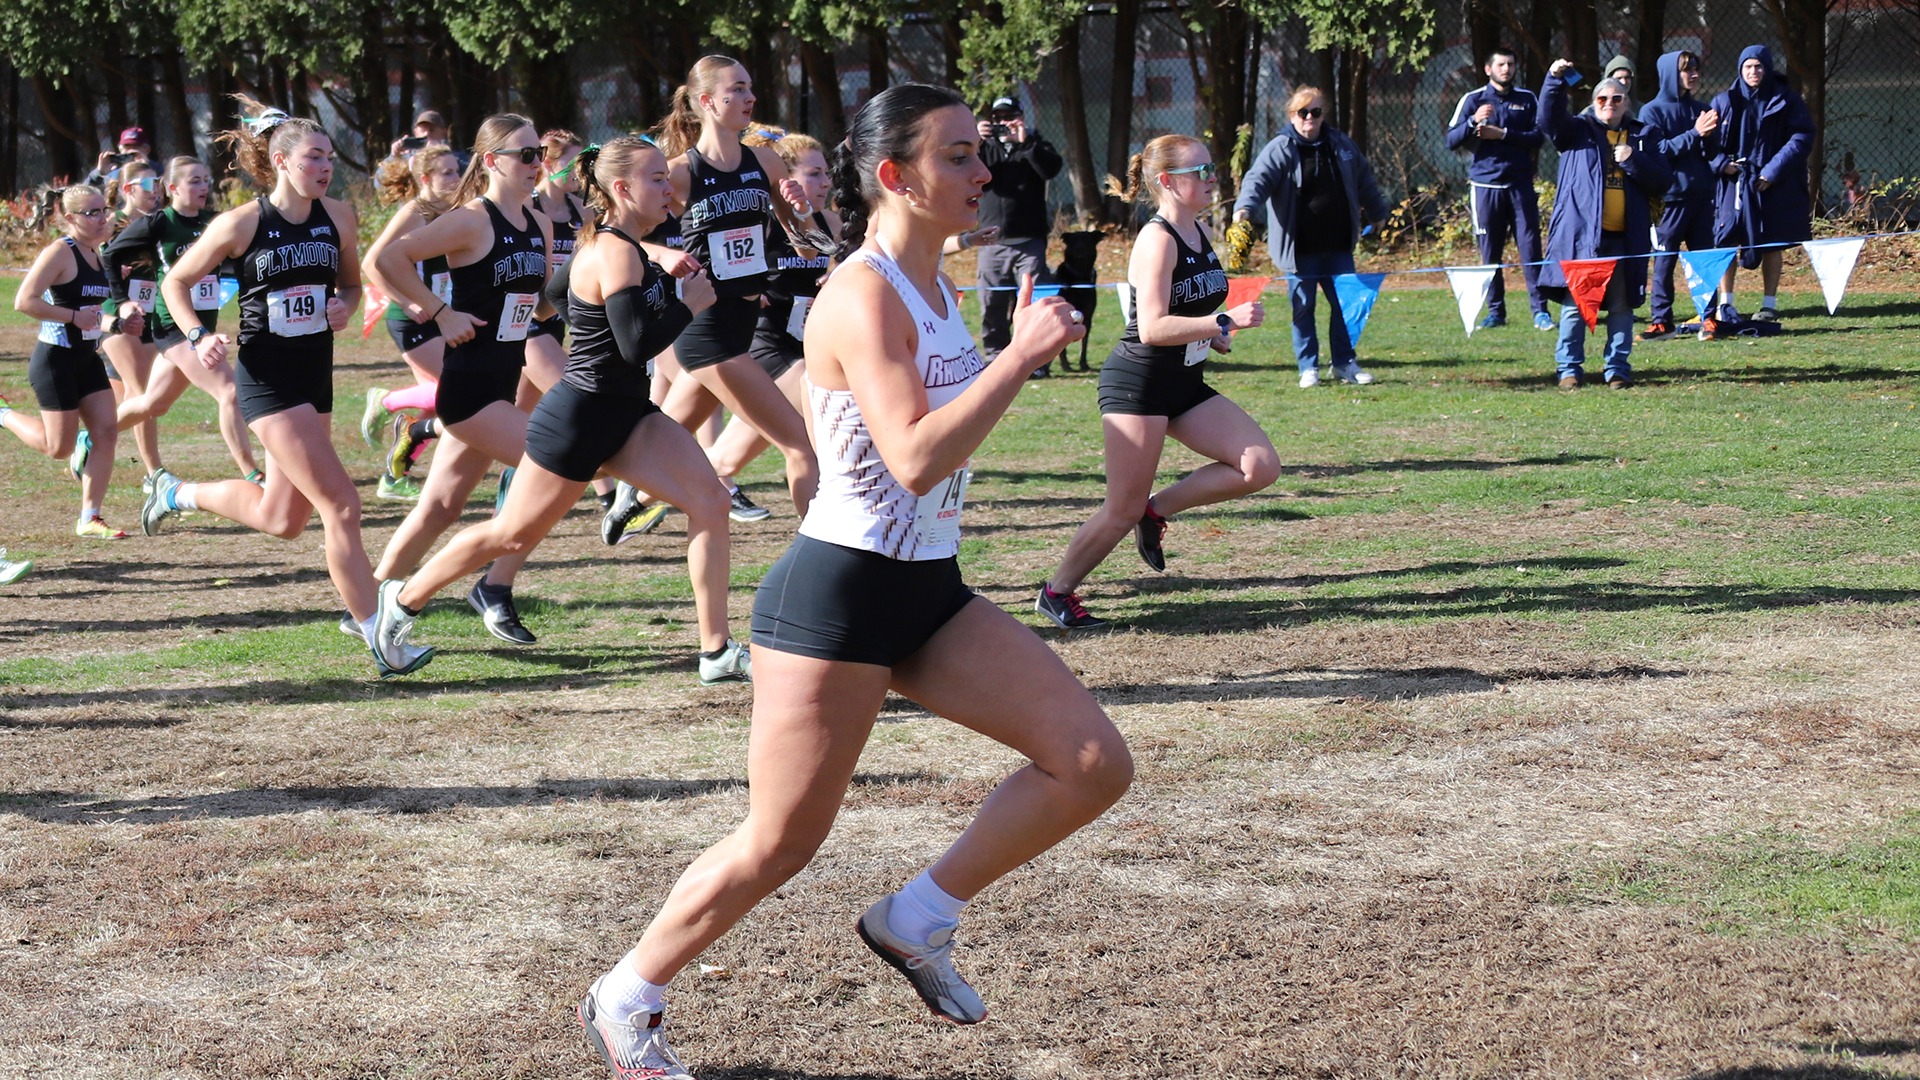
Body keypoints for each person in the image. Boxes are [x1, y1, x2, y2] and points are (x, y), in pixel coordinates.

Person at [574, 83, 1129, 1080]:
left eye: (977, 153)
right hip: (836, 597)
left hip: (926, 589)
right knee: (780, 843)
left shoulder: (937, 286)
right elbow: (912, 457)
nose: (983, 173)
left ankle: (915, 918)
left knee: (1092, 762)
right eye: (957, 156)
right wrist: (1020, 355)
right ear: (894, 177)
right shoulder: (864, 292)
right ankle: (628, 995)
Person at [374, 137, 749, 684]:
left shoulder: (616, 245)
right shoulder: (616, 251)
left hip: (629, 415)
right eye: (656, 179)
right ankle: (401, 600)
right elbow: (635, 346)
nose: (669, 187)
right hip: (578, 421)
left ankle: (715, 650)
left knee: (711, 500)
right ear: (622, 189)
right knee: (511, 536)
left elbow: (550, 293)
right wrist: (688, 305)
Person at [139, 97, 432, 679]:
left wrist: (343, 307)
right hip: (267, 379)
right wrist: (198, 336)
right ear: (280, 161)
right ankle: (376, 628)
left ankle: (175, 494)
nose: (325, 167)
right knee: (342, 506)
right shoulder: (241, 223)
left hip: (313, 374)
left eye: (329, 158)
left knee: (283, 517)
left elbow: (351, 285)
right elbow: (176, 281)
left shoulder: (340, 217)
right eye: (313, 157)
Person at [1037, 135, 1275, 629]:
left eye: (1212, 170)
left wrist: (1212, 336)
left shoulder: (1200, 228)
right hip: (1138, 386)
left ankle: (1156, 512)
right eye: (1201, 172)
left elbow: (1188, 312)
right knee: (1119, 509)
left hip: (1183, 382)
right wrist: (1223, 323)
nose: (1213, 180)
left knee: (1259, 467)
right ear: (1167, 181)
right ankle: (1057, 593)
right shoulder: (1157, 237)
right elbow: (1151, 328)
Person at [366, 113, 556, 647]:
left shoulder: (537, 223)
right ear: (493, 161)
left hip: (502, 380)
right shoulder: (473, 219)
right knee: (556, 466)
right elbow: (387, 258)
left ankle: (368, 604)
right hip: (469, 391)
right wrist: (436, 311)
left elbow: (533, 301)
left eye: (538, 151)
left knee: (441, 506)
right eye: (525, 154)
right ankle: (493, 585)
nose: (535, 162)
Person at [631, 56, 819, 525]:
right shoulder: (679, 172)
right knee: (799, 445)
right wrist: (663, 254)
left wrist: (800, 212)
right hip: (705, 325)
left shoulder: (766, 160)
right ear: (707, 102)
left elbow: (808, 246)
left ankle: (631, 497)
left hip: (744, 321)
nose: (750, 97)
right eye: (737, 89)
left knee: (661, 437)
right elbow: (617, 234)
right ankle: (823, 554)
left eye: (751, 87)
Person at [701, 127, 839, 524]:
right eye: (814, 173)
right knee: (808, 442)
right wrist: (748, 288)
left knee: (727, 458)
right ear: (787, 180)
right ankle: (822, 534)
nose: (825, 181)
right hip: (767, 344)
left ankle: (638, 496)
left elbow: (848, 257)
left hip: (806, 345)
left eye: (825, 172)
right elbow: (715, 259)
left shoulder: (828, 221)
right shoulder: (762, 223)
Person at [107, 155, 262, 486]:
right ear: (173, 187)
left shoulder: (214, 222)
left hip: (202, 325)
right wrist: (121, 301)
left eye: (206, 180)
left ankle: (90, 438)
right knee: (229, 391)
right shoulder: (159, 222)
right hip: (173, 325)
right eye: (194, 181)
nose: (203, 186)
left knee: (153, 403)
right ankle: (252, 473)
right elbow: (110, 255)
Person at [2, 184, 139, 539]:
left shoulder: (100, 254)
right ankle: (2, 414)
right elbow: (24, 301)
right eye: (90, 213)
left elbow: (94, 314)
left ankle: (90, 517)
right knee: (58, 447)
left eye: (102, 211)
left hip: (87, 358)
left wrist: (118, 323)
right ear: (69, 218)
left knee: (106, 431)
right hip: (55, 360)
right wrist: (71, 317)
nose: (100, 218)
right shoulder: (60, 253)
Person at [1233, 86, 1389, 389]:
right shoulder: (1280, 148)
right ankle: (1308, 367)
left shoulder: (1341, 145)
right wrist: (1244, 209)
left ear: (1322, 115)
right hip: (1299, 249)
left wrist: (1378, 210)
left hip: (1338, 244)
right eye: (1302, 112)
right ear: (1292, 116)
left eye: (1315, 112)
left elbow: (1365, 178)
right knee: (1303, 308)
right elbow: (1257, 179)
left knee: (1345, 305)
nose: (1309, 118)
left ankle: (1344, 363)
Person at [1537, 63, 1672, 389]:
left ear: (1627, 102)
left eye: (1616, 99)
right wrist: (1554, 80)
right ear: (1594, 102)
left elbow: (1662, 180)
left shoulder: (1644, 135)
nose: (1609, 105)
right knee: (1575, 308)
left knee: (1621, 308)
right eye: (1602, 99)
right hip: (1583, 239)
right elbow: (1546, 119)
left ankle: (1618, 371)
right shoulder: (1576, 131)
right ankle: (1568, 370)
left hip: (1626, 239)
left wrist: (1632, 160)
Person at [360, 143, 463, 501]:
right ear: (425, 179)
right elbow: (371, 263)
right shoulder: (415, 212)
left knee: (439, 405)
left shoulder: (455, 210)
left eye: (457, 170)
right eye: (447, 172)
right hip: (411, 316)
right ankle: (386, 399)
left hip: (440, 313)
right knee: (455, 389)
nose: (456, 177)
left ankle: (394, 476)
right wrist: (406, 299)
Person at [1446, 47, 1553, 330]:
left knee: (1531, 249)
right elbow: (1451, 140)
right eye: (1501, 64)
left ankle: (1540, 312)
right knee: (1489, 252)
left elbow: (1538, 138)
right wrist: (1472, 122)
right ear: (1488, 69)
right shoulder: (1473, 99)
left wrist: (1503, 134)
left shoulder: (1527, 99)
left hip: (1520, 185)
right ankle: (1496, 312)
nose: (1506, 69)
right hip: (1485, 186)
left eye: (1511, 64)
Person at [1707, 45, 1814, 327]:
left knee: (1771, 241)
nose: (1753, 72)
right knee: (1726, 240)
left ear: (1767, 68)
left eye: (1758, 66)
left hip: (1771, 184)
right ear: (1740, 70)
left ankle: (1769, 304)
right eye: (1747, 67)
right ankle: (1725, 303)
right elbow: (1706, 144)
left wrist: (1772, 171)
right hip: (1733, 182)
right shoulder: (1723, 101)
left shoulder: (1787, 100)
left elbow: (1801, 137)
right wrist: (1722, 165)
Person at [974, 94, 1064, 364]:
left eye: (1009, 118)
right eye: (998, 118)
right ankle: (995, 357)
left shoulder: (1035, 144)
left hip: (1029, 240)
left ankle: (1037, 356)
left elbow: (1051, 170)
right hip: (992, 240)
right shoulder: (984, 148)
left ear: (1021, 119)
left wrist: (1025, 143)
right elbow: (970, 173)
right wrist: (975, 139)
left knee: (1035, 302)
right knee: (991, 303)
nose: (1004, 123)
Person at [1638, 51, 1721, 339]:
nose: (1694, 74)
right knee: (1664, 261)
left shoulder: (1701, 108)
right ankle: (1662, 320)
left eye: (1696, 68)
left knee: (1704, 261)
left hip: (1701, 196)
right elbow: (1658, 151)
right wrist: (1695, 134)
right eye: (1687, 70)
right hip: (1669, 200)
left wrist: (1711, 135)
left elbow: (1710, 153)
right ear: (1671, 74)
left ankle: (1709, 318)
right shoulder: (1652, 111)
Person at [99, 159, 164, 485]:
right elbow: (88, 264)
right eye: (149, 184)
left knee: (125, 404)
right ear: (128, 190)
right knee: (145, 394)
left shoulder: (158, 223)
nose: (157, 190)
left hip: (150, 314)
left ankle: (88, 444)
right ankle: (155, 475)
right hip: (116, 315)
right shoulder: (112, 223)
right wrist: (112, 275)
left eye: (158, 183)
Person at [84, 127, 151, 189]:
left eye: (136, 146)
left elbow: (154, 194)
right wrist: (99, 172)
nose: (131, 151)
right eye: (127, 146)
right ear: (120, 149)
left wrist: (145, 168)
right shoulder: (112, 172)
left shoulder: (157, 170)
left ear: (147, 149)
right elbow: (85, 194)